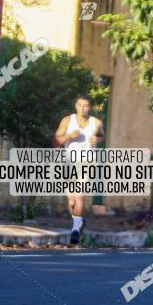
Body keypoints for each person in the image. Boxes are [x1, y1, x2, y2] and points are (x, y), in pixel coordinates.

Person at [54, 95, 104, 245]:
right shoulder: (67, 121)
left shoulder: (96, 122)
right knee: (71, 201)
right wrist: (68, 136)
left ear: (90, 107)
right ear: (76, 106)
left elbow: (102, 135)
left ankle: (75, 231)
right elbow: (55, 141)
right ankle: (79, 223)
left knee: (79, 194)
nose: (83, 108)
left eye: (86, 105)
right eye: (80, 105)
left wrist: (98, 140)